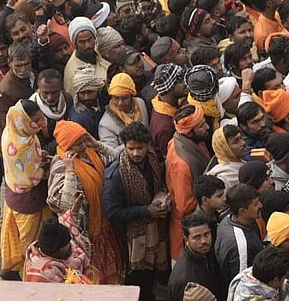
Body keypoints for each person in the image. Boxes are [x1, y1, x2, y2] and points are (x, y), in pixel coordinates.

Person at [46, 120, 123, 284]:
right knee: (90, 277)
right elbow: (62, 204)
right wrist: (70, 171)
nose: (83, 146)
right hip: (82, 232)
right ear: (67, 146)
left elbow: (120, 159)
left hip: (103, 227)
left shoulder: (91, 154)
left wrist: (97, 145)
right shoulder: (60, 164)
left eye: (84, 140)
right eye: (78, 143)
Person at [102, 122, 169, 299]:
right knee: (138, 284)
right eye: (131, 149)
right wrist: (146, 211)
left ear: (148, 145)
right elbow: (112, 212)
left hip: (154, 232)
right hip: (131, 242)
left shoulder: (152, 160)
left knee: (150, 279)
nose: (136, 153)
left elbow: (158, 185)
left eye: (140, 148)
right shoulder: (116, 175)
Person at [0, 99, 53, 281]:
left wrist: (39, 157)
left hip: (13, 192)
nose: (41, 123)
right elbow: (33, 176)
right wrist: (49, 166)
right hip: (28, 199)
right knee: (30, 243)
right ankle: (29, 277)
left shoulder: (14, 131)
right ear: (23, 121)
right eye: (36, 120)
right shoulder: (21, 146)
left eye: (40, 118)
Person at [167, 104, 212, 260]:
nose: (207, 127)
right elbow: (184, 206)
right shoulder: (182, 165)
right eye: (201, 126)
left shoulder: (188, 140)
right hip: (188, 232)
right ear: (189, 131)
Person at [24, 193, 93, 283]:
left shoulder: (50, 247)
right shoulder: (44, 273)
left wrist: (75, 209)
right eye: (67, 245)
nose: (71, 246)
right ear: (57, 250)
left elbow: (66, 223)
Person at [168, 213, 227, 300]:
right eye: (197, 237)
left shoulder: (207, 253)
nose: (204, 241)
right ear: (186, 240)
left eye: (206, 234)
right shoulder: (184, 279)